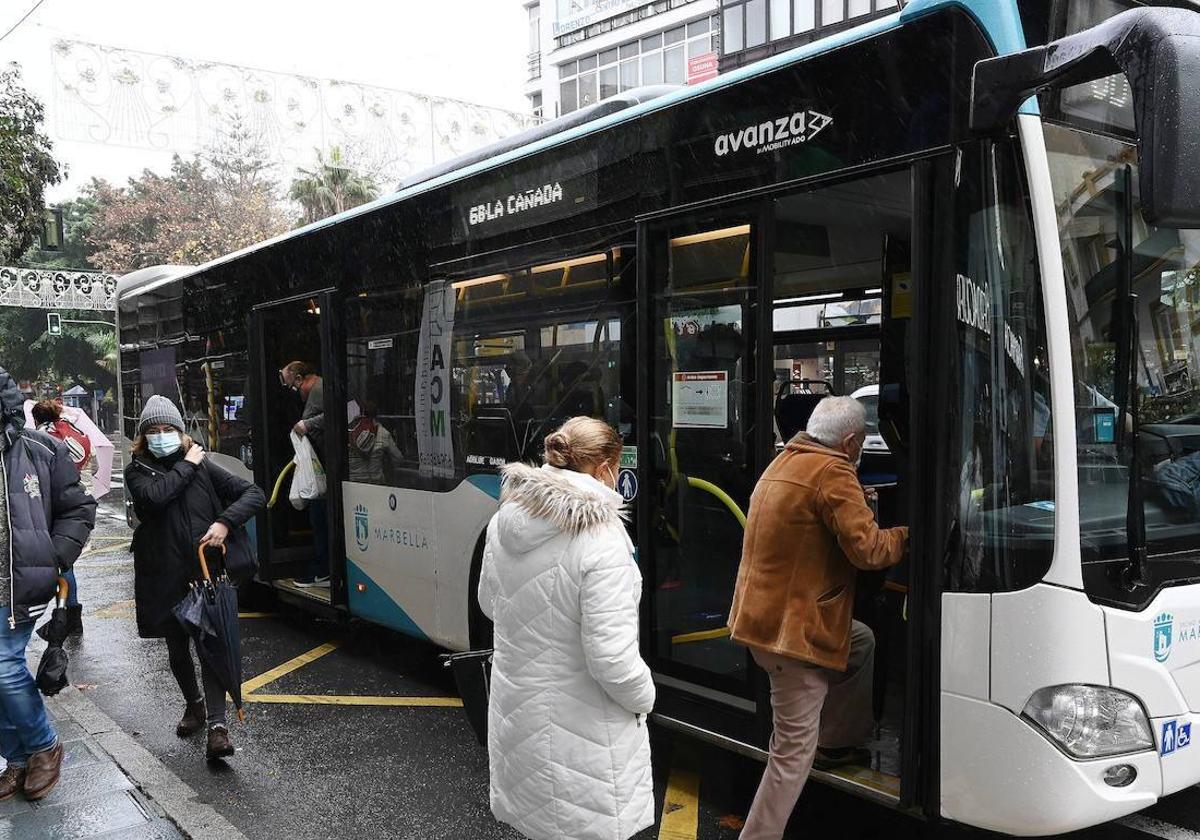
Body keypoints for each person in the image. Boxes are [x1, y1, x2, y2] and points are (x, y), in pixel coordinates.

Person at [728, 396, 908, 840]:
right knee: (790, 756)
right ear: (850, 441)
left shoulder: (786, 461)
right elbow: (869, 551)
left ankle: (835, 740)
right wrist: (910, 533)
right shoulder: (834, 472)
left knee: (860, 640)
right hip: (793, 636)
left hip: (762, 621)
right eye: (862, 442)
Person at [478, 417, 654, 840]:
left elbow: (489, 604)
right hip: (585, 736)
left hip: (519, 716)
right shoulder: (602, 539)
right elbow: (612, 660)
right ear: (605, 467)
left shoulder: (506, 519)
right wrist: (645, 696)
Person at [125, 395, 265, 761]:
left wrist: (224, 522)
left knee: (210, 646)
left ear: (180, 431)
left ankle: (218, 728)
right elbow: (155, 499)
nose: (161, 436)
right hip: (164, 574)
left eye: (168, 429)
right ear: (143, 438)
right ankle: (195, 704)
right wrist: (188, 463)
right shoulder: (138, 470)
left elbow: (254, 494)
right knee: (177, 648)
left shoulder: (204, 466)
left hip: (205, 572)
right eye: (152, 431)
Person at [0, 367, 96, 802]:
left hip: (16, 588)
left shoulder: (41, 449)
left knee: (3, 666)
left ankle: (43, 745)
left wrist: (54, 557)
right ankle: (17, 759)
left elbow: (79, 509)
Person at [30, 399, 92, 636]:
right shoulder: (73, 432)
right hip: (74, 502)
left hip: (50, 505)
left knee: (59, 566)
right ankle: (71, 616)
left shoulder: (41, 438)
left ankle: (64, 617)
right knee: (67, 564)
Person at [280, 361, 328, 587]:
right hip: (323, 466)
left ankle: (322, 570)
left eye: (293, 387)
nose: (296, 393)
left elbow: (339, 414)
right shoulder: (319, 388)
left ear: (300, 379)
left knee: (319, 518)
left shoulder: (318, 389)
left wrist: (306, 424)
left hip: (325, 467)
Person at [347, 400, 404, 484]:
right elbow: (398, 459)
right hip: (375, 484)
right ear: (376, 415)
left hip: (353, 484)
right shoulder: (383, 433)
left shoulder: (349, 434)